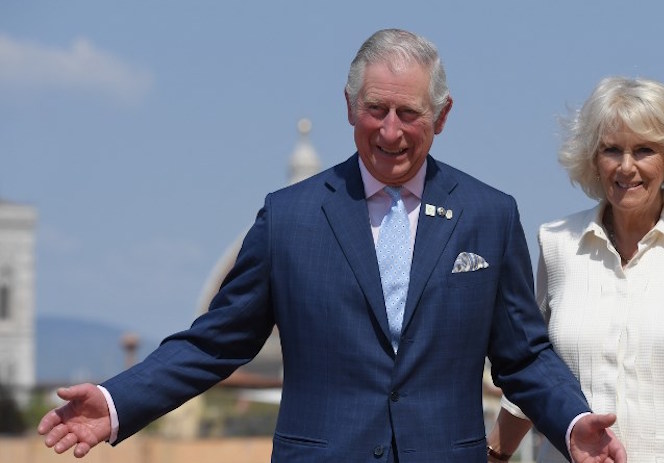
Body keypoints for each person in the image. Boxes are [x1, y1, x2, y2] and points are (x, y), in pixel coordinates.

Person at [37, 29, 626, 462]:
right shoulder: (289, 217)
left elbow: (521, 356)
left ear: (441, 117)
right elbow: (215, 342)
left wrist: (571, 421)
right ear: (349, 107)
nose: (389, 131)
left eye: (408, 113)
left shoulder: (487, 215)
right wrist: (116, 402)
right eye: (375, 110)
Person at [487, 76, 664, 463]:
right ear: (593, 159)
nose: (626, 167)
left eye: (644, 150)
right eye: (612, 150)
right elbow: (532, 369)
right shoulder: (556, 243)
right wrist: (494, 454)